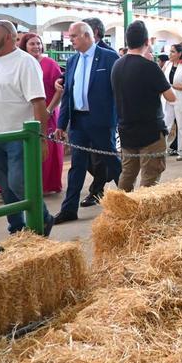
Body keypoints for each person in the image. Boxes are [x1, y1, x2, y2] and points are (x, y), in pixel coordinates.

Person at [0, 20, 54, 236]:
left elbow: (38, 102)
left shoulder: (25, 63)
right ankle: (17, 228)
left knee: (19, 184)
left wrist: (41, 138)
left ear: (9, 36)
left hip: (18, 136)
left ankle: (43, 218)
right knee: (6, 189)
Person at [53, 22, 121, 224]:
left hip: (101, 120)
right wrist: (61, 123)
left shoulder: (109, 57)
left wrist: (118, 119)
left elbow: (118, 91)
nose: (70, 39)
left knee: (111, 161)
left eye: (73, 36)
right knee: (77, 166)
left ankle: (130, 198)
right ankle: (69, 209)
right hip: (78, 121)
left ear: (86, 35)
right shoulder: (73, 61)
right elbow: (68, 95)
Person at [112, 21, 176, 191]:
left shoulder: (117, 65)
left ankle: (120, 211)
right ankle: (143, 216)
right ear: (147, 42)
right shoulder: (150, 68)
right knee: (150, 180)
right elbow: (171, 97)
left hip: (126, 129)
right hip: (150, 132)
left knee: (127, 174)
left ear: (127, 41)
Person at [18, 33, 65, 195]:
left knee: (48, 149)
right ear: (25, 46)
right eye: (32, 44)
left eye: (38, 43)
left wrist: (49, 110)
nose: (36, 46)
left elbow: (60, 90)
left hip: (48, 112)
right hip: (26, 114)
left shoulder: (50, 64)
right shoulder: (22, 63)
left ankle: (46, 185)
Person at [81, 18, 117, 207]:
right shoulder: (80, 54)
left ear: (93, 32)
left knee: (101, 156)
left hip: (102, 116)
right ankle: (108, 177)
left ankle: (97, 190)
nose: (73, 38)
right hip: (82, 116)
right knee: (88, 157)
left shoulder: (109, 54)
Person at [161, 43, 182, 160]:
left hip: (181, 98)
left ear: (179, 54)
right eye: (170, 51)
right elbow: (161, 79)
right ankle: (161, 149)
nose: (170, 54)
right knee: (165, 124)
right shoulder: (167, 65)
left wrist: (172, 86)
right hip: (167, 97)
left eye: (173, 52)